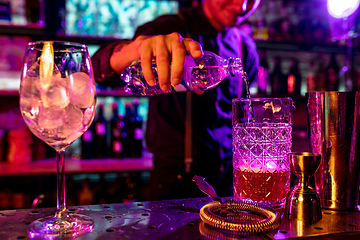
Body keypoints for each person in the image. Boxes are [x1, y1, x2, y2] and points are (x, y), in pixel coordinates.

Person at [92, 0, 260, 200]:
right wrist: (136, 50)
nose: (241, 6)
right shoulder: (167, 28)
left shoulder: (246, 48)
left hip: (227, 179)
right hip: (176, 179)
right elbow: (96, 69)